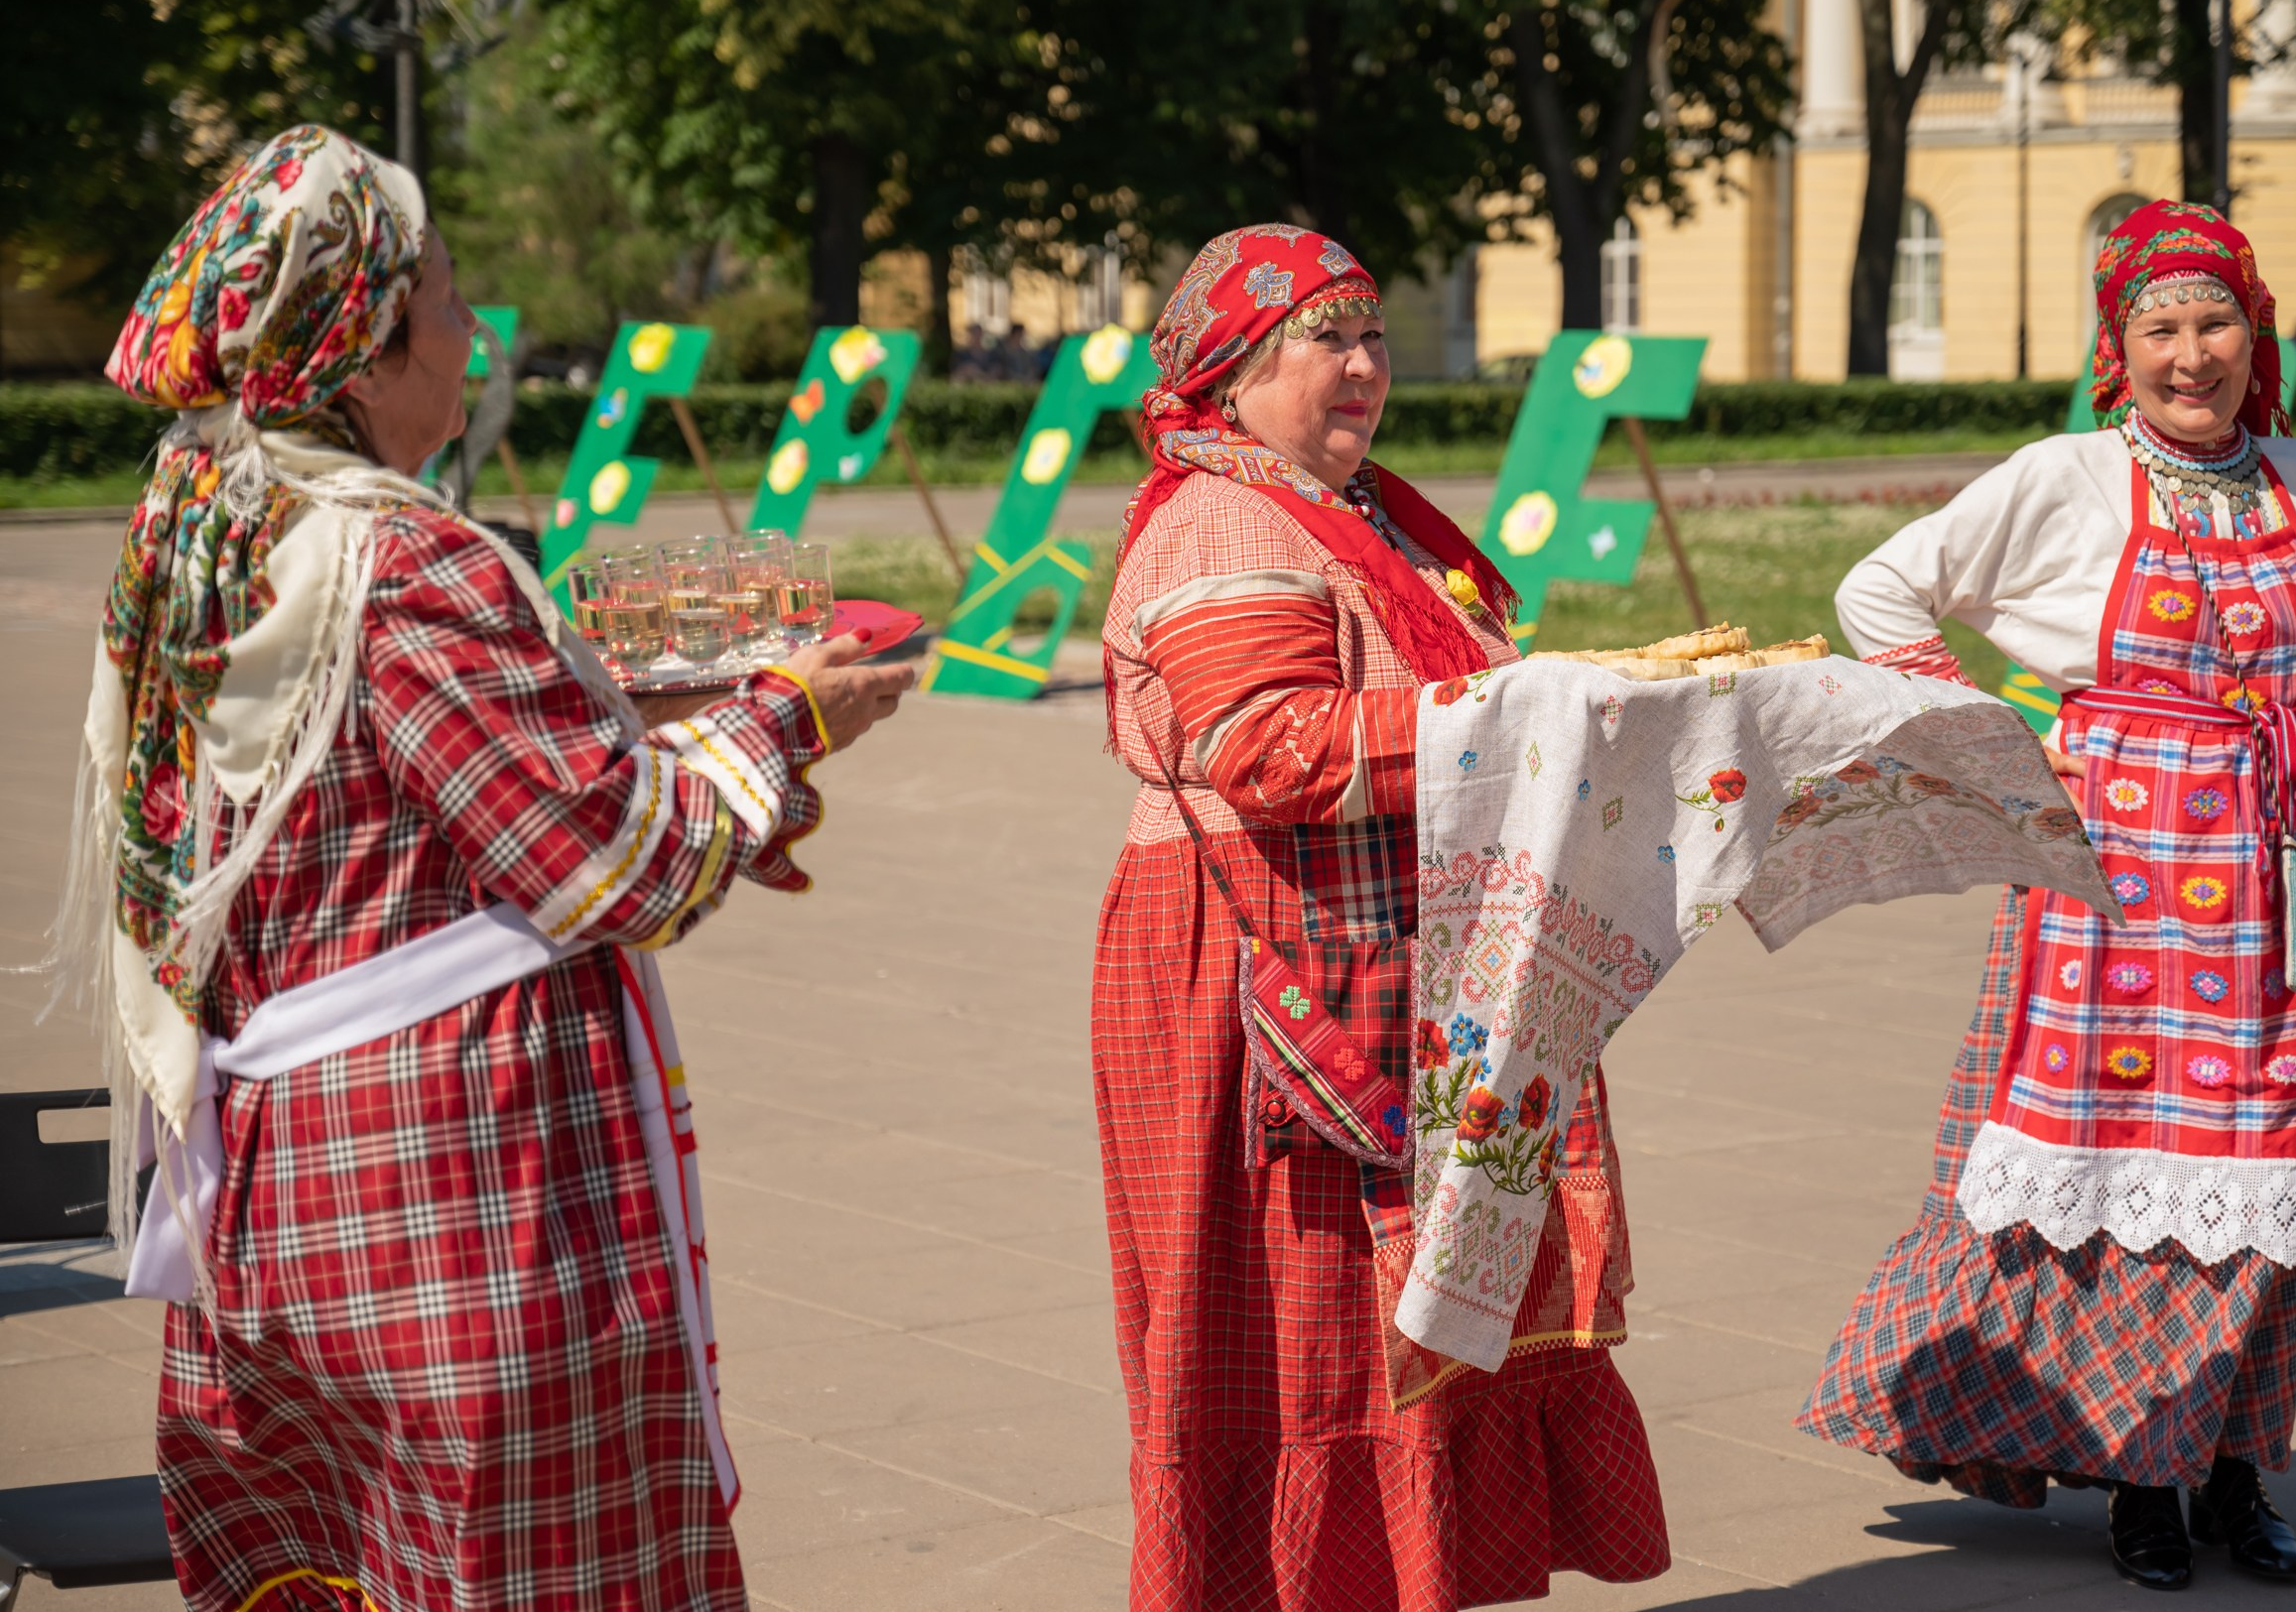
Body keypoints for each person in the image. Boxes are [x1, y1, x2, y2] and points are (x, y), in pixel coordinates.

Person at [57, 125, 915, 1612]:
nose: (472, 332)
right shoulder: (406, 563)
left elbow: (387, 783)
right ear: (367, 346)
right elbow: (613, 862)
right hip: (456, 1196)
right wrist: (792, 714)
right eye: (449, 299)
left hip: (277, 1191)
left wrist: (611, 703)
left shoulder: (203, 533)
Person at [1797, 200, 2296, 1589]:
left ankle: (2240, 1470)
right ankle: (2144, 1474)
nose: (2191, 354)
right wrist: (1988, 745)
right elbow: (1881, 590)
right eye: (2161, 328)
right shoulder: (2066, 478)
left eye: (2215, 324)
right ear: (2117, 346)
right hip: (2116, 890)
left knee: (2277, 1170)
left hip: (2287, 875)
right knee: (2120, 1158)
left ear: (2254, 337)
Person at [1093, 225, 1672, 1610]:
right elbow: (1270, 749)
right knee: (1314, 1334)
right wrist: (1523, 714)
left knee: (1399, 1324)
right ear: (1231, 373)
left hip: (1373, 946)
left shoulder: (1348, 510)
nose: (1361, 369)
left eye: (1372, 338)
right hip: (1261, 967)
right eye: (1324, 339)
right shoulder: (1225, 518)